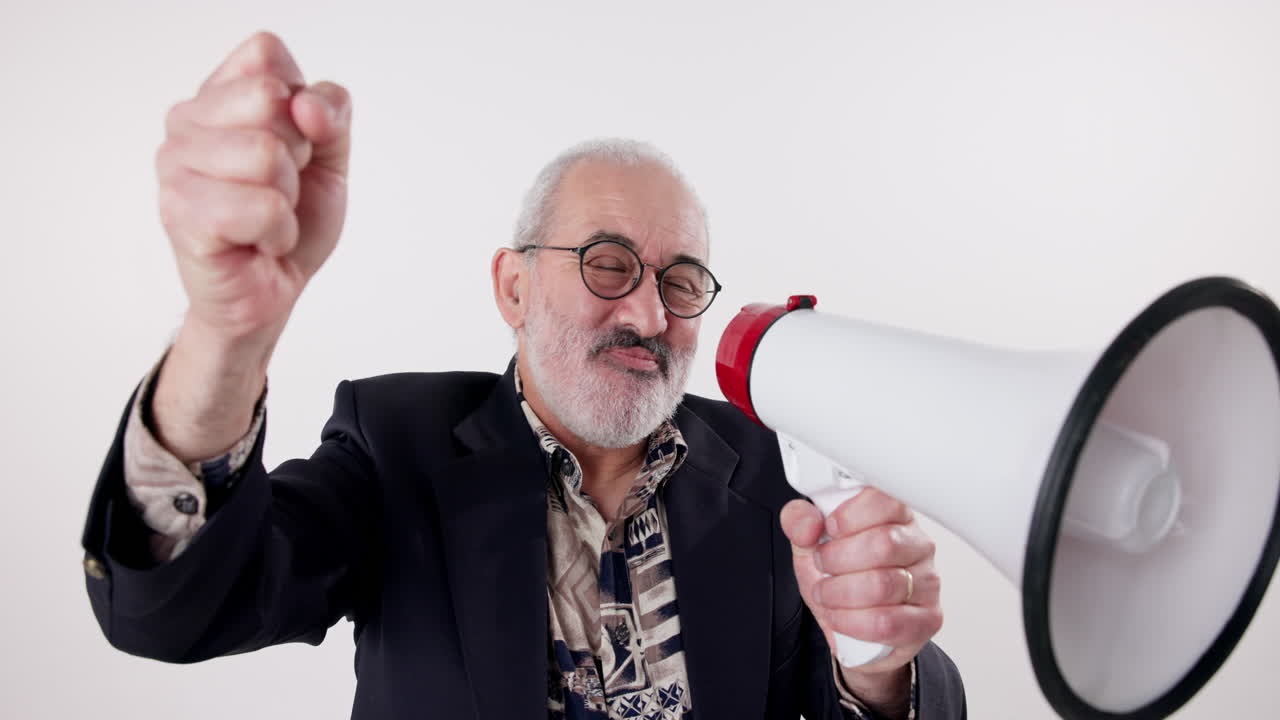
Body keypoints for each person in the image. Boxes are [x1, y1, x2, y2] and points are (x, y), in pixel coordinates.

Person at [80, 32, 966, 720]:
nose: (649, 316)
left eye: (682, 281)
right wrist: (227, 336)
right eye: (608, 263)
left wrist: (878, 668)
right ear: (513, 285)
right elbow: (175, 610)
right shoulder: (396, 445)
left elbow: (897, 696)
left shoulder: (773, 468)